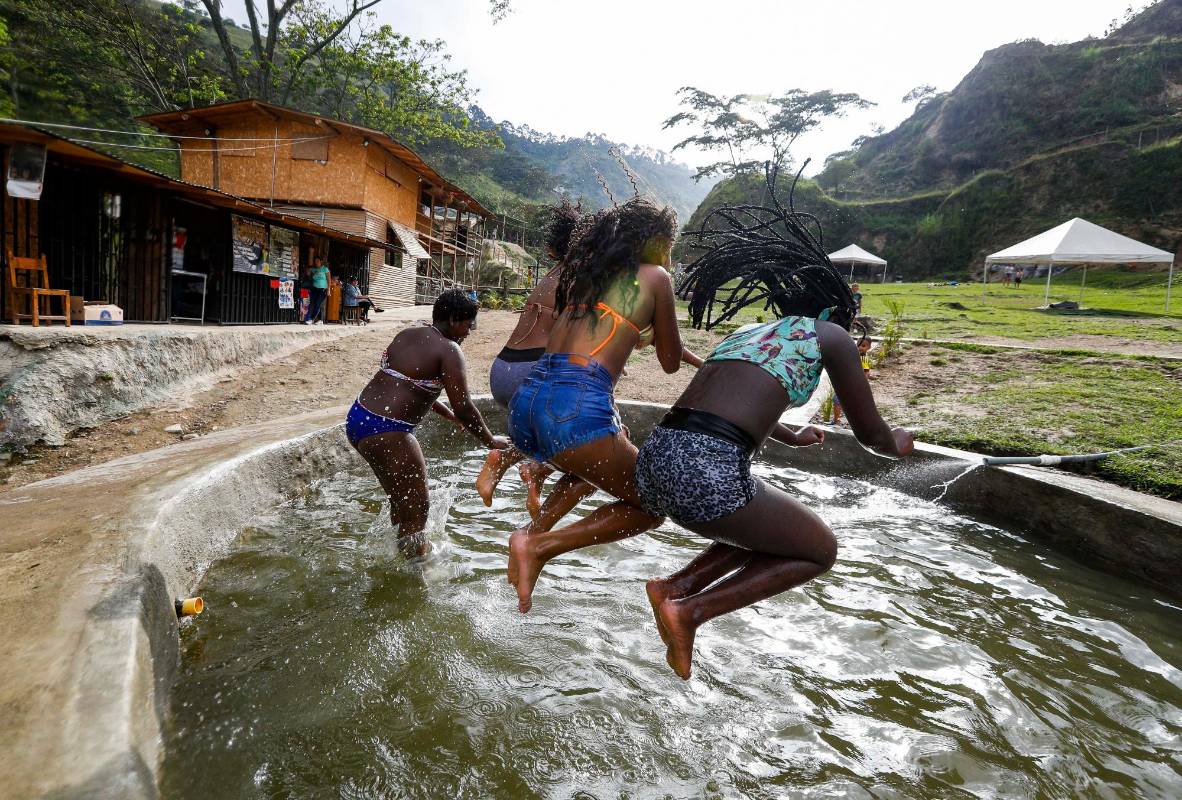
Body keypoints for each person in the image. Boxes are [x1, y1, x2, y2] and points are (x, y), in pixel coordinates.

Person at [632, 166, 915, 679]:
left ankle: (674, 588)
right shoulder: (830, 335)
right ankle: (688, 609)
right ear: (835, 308)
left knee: (768, 526)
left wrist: (789, 432)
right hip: (705, 467)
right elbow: (873, 436)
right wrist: (898, 442)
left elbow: (722, 404)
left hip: (657, 456)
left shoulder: (750, 333)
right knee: (818, 548)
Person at [505, 197, 699, 612]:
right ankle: (537, 545)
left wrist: (638, 333)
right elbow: (669, 361)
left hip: (528, 403)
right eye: (669, 243)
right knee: (651, 504)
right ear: (656, 241)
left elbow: (601, 330)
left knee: (599, 460)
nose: (670, 253)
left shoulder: (586, 278)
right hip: (574, 408)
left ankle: (533, 535)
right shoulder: (656, 276)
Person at [347, 290, 509, 557]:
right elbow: (465, 406)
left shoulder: (409, 335)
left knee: (401, 502)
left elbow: (410, 384)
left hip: (359, 419)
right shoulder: (449, 350)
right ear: (455, 319)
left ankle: (400, 558)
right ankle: (417, 577)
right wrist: (491, 441)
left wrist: (448, 416)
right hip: (389, 429)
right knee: (418, 512)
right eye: (469, 325)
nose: (469, 332)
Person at [476, 199, 596, 519]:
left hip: (502, 370)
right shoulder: (579, 277)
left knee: (555, 432)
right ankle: (514, 465)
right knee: (591, 439)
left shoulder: (552, 273)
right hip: (529, 371)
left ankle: (532, 474)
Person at [830, 328, 872, 425]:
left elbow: (866, 373)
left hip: (854, 385)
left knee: (843, 401)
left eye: (863, 346)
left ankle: (855, 422)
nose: (860, 347)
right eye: (858, 345)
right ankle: (836, 419)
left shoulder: (863, 359)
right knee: (837, 400)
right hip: (846, 383)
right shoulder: (854, 356)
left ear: (869, 348)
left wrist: (862, 384)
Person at [305, 256, 330, 325]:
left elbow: (328, 280)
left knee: (318, 304)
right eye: (315, 261)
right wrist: (309, 267)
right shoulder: (313, 269)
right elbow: (307, 274)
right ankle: (310, 319)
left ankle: (315, 319)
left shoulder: (325, 269)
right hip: (314, 288)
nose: (316, 263)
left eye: (318, 261)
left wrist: (328, 290)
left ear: (321, 261)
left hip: (323, 289)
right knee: (312, 304)